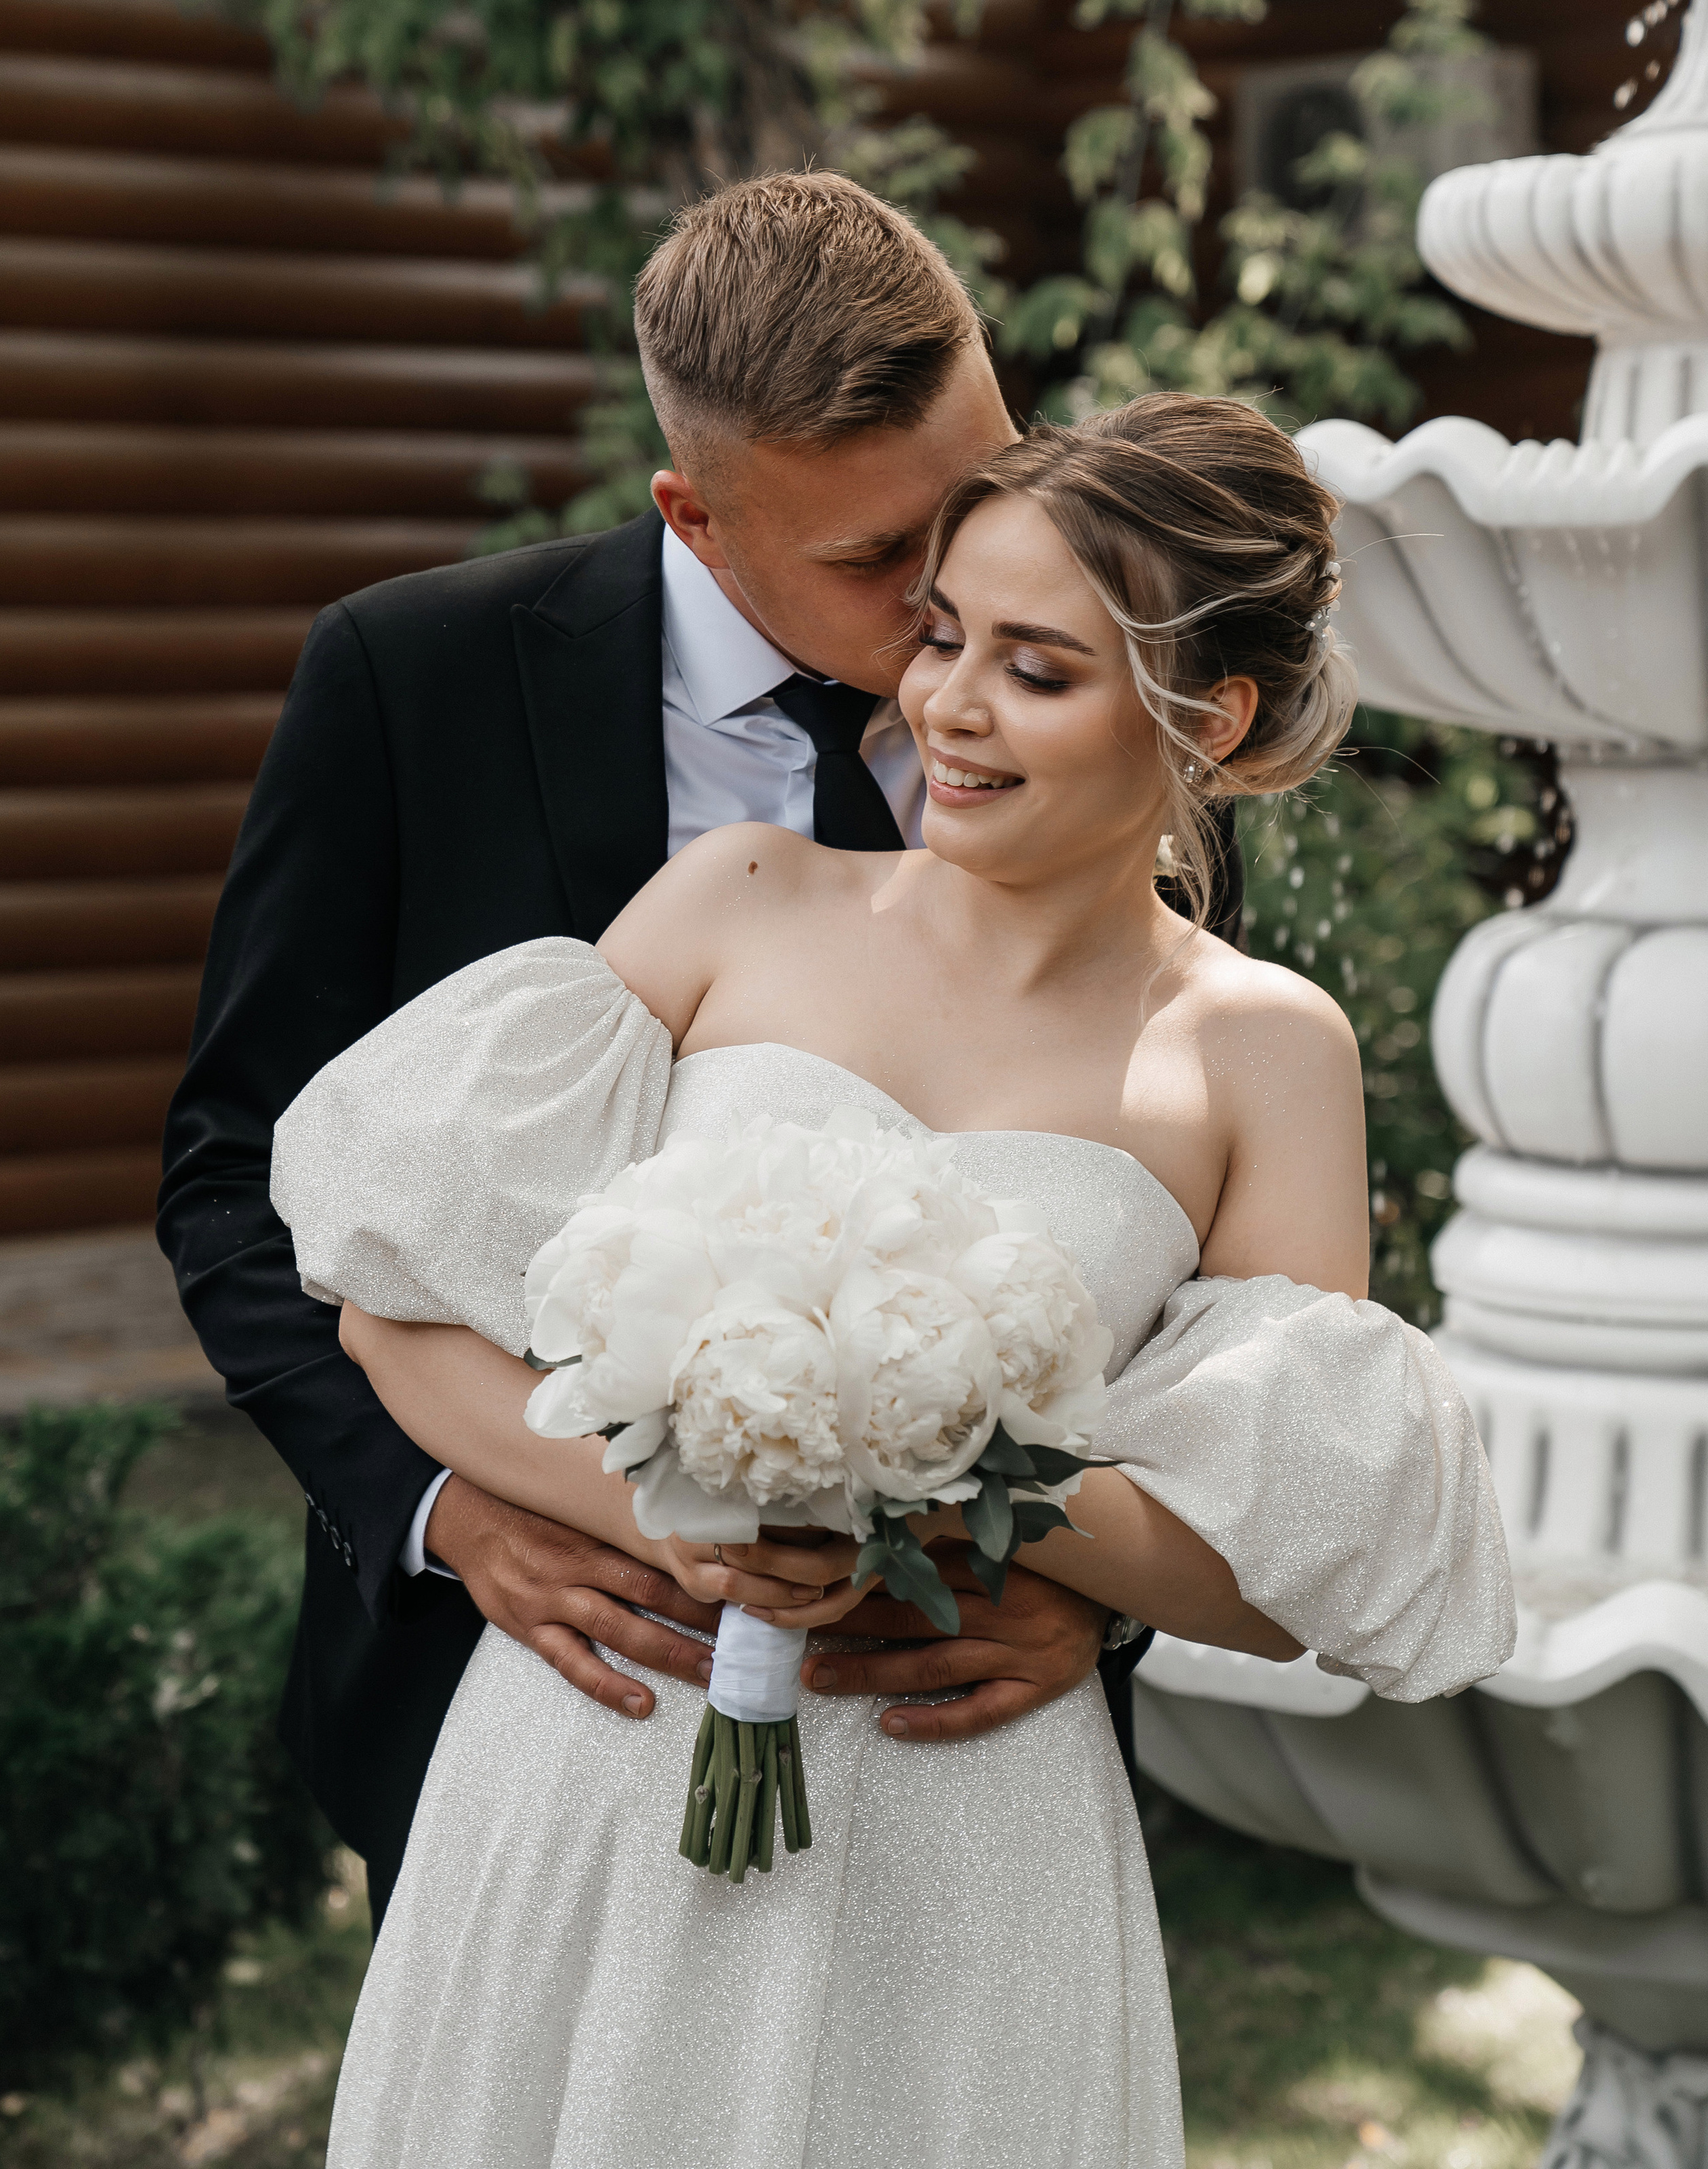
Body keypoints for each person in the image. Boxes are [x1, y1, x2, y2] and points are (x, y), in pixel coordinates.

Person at [272, 398, 1516, 2169]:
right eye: (941, 635)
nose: (948, 705)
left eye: (1038, 667)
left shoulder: (1261, 1055)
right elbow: (393, 1303)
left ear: (1208, 719)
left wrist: (960, 1470)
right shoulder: (739, 902)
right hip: (603, 1749)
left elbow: (1263, 1554)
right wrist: (655, 1509)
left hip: (955, 1807)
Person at [159, 173, 1237, 1926]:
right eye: (881, 561)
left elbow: (1180, 1228)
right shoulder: (407, 685)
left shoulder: (1120, 726)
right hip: (513, 1693)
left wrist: (1099, 1585)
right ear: (696, 513)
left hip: (958, 1738)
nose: (959, 584)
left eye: (977, 493)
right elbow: (239, 1180)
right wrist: (448, 1501)